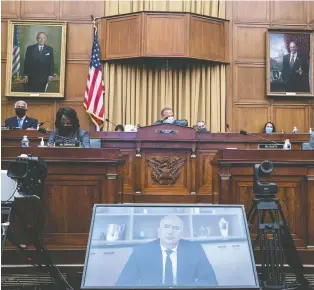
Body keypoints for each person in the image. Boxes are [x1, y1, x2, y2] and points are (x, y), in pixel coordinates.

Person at [116, 215, 217, 287]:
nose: (170, 232)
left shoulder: (195, 250)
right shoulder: (141, 252)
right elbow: (123, 284)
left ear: (182, 233)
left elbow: (210, 281)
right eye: (166, 227)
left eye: (176, 228)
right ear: (159, 231)